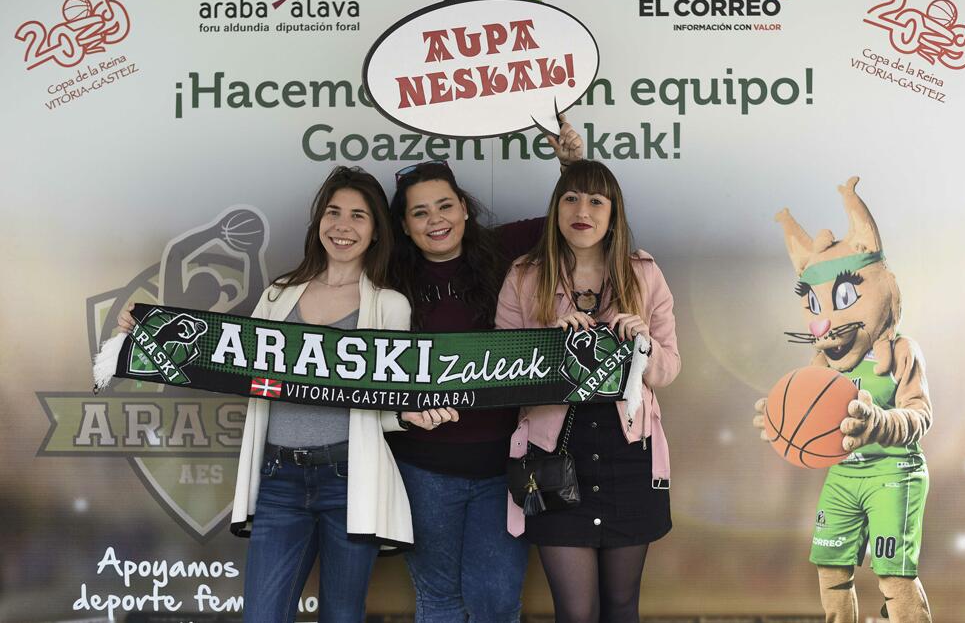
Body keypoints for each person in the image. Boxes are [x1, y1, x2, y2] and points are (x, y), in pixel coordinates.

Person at [118, 167, 454, 622]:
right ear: (318, 222)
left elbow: (384, 404)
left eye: (358, 216)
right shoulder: (278, 295)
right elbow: (225, 355)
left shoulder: (389, 305)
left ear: (376, 232)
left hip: (350, 478)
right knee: (262, 615)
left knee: (342, 614)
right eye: (333, 212)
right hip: (279, 479)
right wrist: (148, 334)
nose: (343, 225)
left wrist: (409, 416)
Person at [385, 120, 583, 622]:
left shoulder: (503, 252)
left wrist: (571, 165)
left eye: (446, 205)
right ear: (404, 226)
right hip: (420, 470)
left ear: (465, 210)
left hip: (503, 469)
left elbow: (578, 221)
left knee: (496, 602)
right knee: (439, 602)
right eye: (420, 212)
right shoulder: (385, 279)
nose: (436, 220)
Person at [495, 160, 680, 623]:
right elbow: (500, 374)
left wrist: (646, 344)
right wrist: (551, 347)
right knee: (575, 612)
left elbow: (669, 369)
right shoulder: (524, 275)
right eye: (571, 198)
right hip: (553, 458)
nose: (584, 210)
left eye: (597, 200)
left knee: (622, 606)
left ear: (614, 213)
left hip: (630, 454)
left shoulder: (644, 275)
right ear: (556, 209)